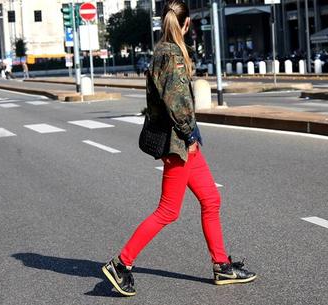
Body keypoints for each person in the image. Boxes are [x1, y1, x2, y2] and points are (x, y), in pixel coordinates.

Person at [102, 0, 256, 297]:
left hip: (184, 143)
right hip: (180, 144)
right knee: (168, 211)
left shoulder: (163, 51)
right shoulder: (171, 54)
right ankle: (122, 263)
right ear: (186, 24)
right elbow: (178, 103)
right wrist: (189, 135)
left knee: (211, 198)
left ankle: (222, 265)